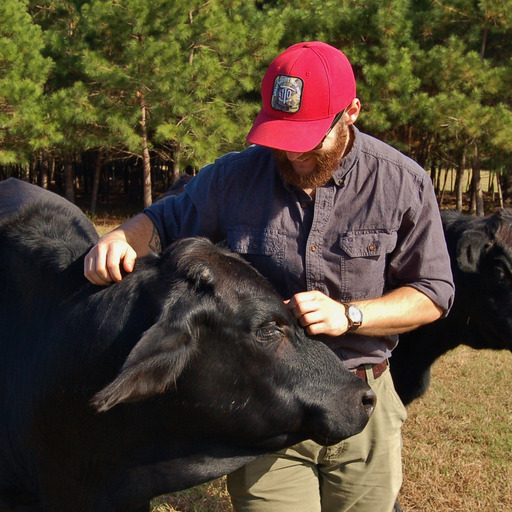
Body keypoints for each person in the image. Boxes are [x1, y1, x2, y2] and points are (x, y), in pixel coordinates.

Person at [84, 41, 454, 512]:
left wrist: (350, 315)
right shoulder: (234, 177)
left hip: (364, 398)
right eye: (282, 139)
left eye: (308, 141)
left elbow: (433, 293)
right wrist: (121, 236)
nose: (292, 156)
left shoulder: (402, 183)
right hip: (267, 404)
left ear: (352, 112)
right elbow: (163, 220)